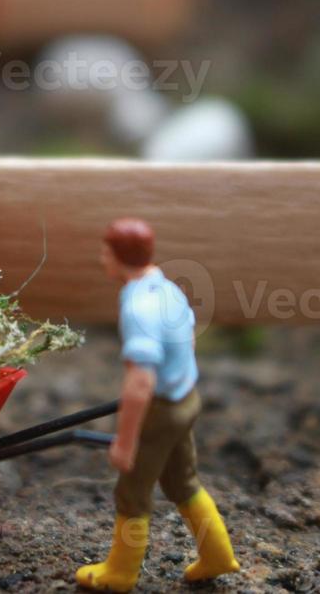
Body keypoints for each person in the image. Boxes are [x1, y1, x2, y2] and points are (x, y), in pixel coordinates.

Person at [76, 218, 239, 592]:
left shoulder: (138, 307)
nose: (102, 259)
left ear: (119, 257)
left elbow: (139, 383)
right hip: (187, 398)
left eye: (105, 252)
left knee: (131, 492)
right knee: (183, 482)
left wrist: (125, 442)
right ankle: (217, 555)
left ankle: (120, 572)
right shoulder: (167, 289)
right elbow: (189, 339)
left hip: (162, 408)